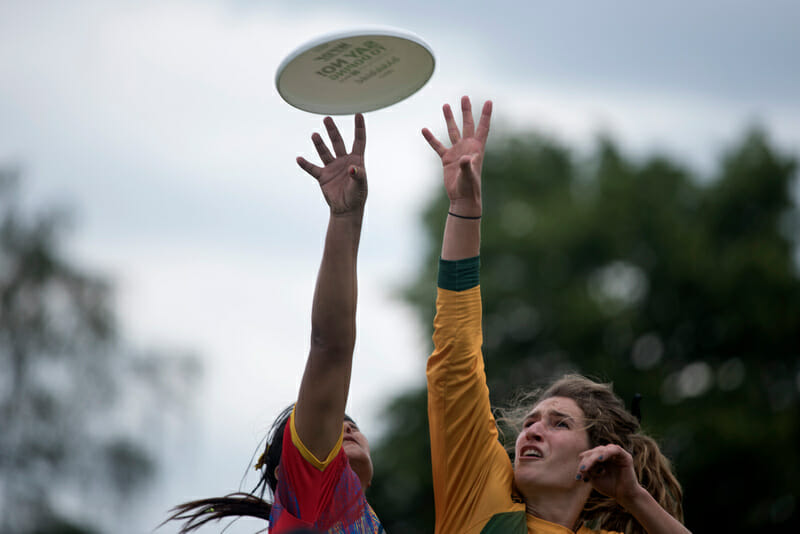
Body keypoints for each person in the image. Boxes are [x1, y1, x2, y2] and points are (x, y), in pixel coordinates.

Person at [422, 96, 691, 534]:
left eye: (559, 423)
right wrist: (465, 211)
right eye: (530, 422)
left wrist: (634, 497)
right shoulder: (479, 498)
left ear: (597, 455)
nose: (531, 431)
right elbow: (455, 355)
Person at [164, 113, 383, 533]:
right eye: (330, 424)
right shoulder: (312, 492)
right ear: (290, 471)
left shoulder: (364, 519)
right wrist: (344, 219)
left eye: (350, 421)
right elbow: (330, 347)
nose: (347, 425)